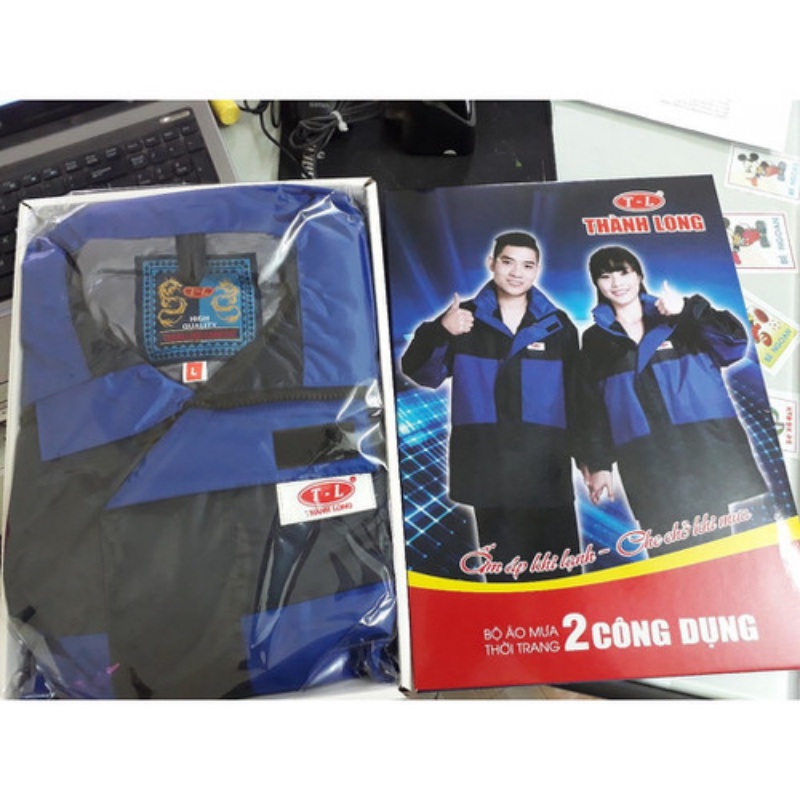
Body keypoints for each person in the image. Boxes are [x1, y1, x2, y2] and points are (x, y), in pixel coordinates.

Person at [401, 231, 581, 580]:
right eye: (508, 262)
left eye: (527, 265)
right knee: (504, 577)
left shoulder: (558, 326)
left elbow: (577, 396)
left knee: (562, 574)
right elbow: (423, 374)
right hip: (488, 465)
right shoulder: (463, 320)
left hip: (547, 467)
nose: (517, 273)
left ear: (537, 270)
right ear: (492, 263)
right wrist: (441, 331)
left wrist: (591, 459)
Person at [577, 245, 768, 557]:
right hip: (646, 458)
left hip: (701, 450)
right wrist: (598, 463)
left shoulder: (681, 319)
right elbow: (591, 405)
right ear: (596, 283)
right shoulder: (595, 339)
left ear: (639, 275)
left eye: (624, 272)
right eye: (605, 276)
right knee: (667, 558)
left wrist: (689, 309)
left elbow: (733, 346)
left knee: (716, 555)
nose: (617, 282)